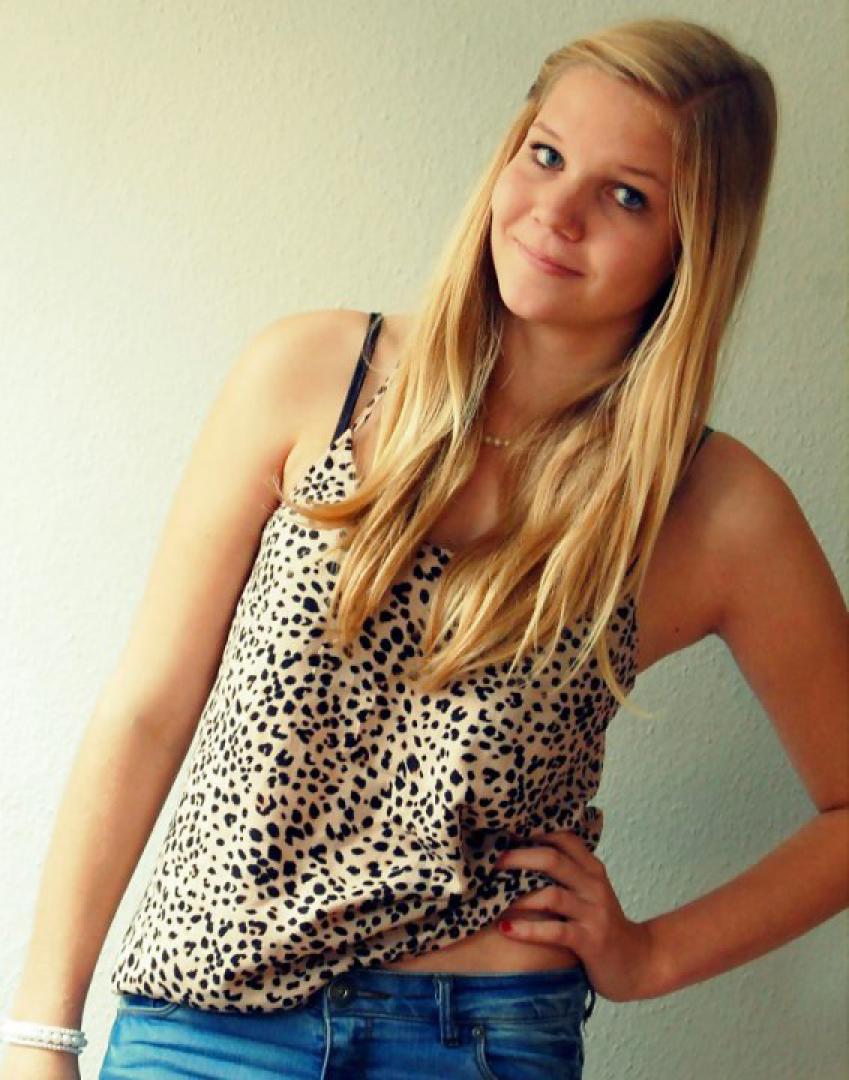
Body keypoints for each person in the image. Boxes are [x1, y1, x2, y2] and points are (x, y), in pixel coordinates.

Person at [3, 15, 847, 1080]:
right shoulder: (315, 375)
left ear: (696, 241)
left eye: (626, 196)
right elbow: (149, 706)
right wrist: (40, 1031)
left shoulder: (709, 505)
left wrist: (653, 956)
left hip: (476, 1036)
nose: (556, 213)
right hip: (205, 1022)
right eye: (546, 155)